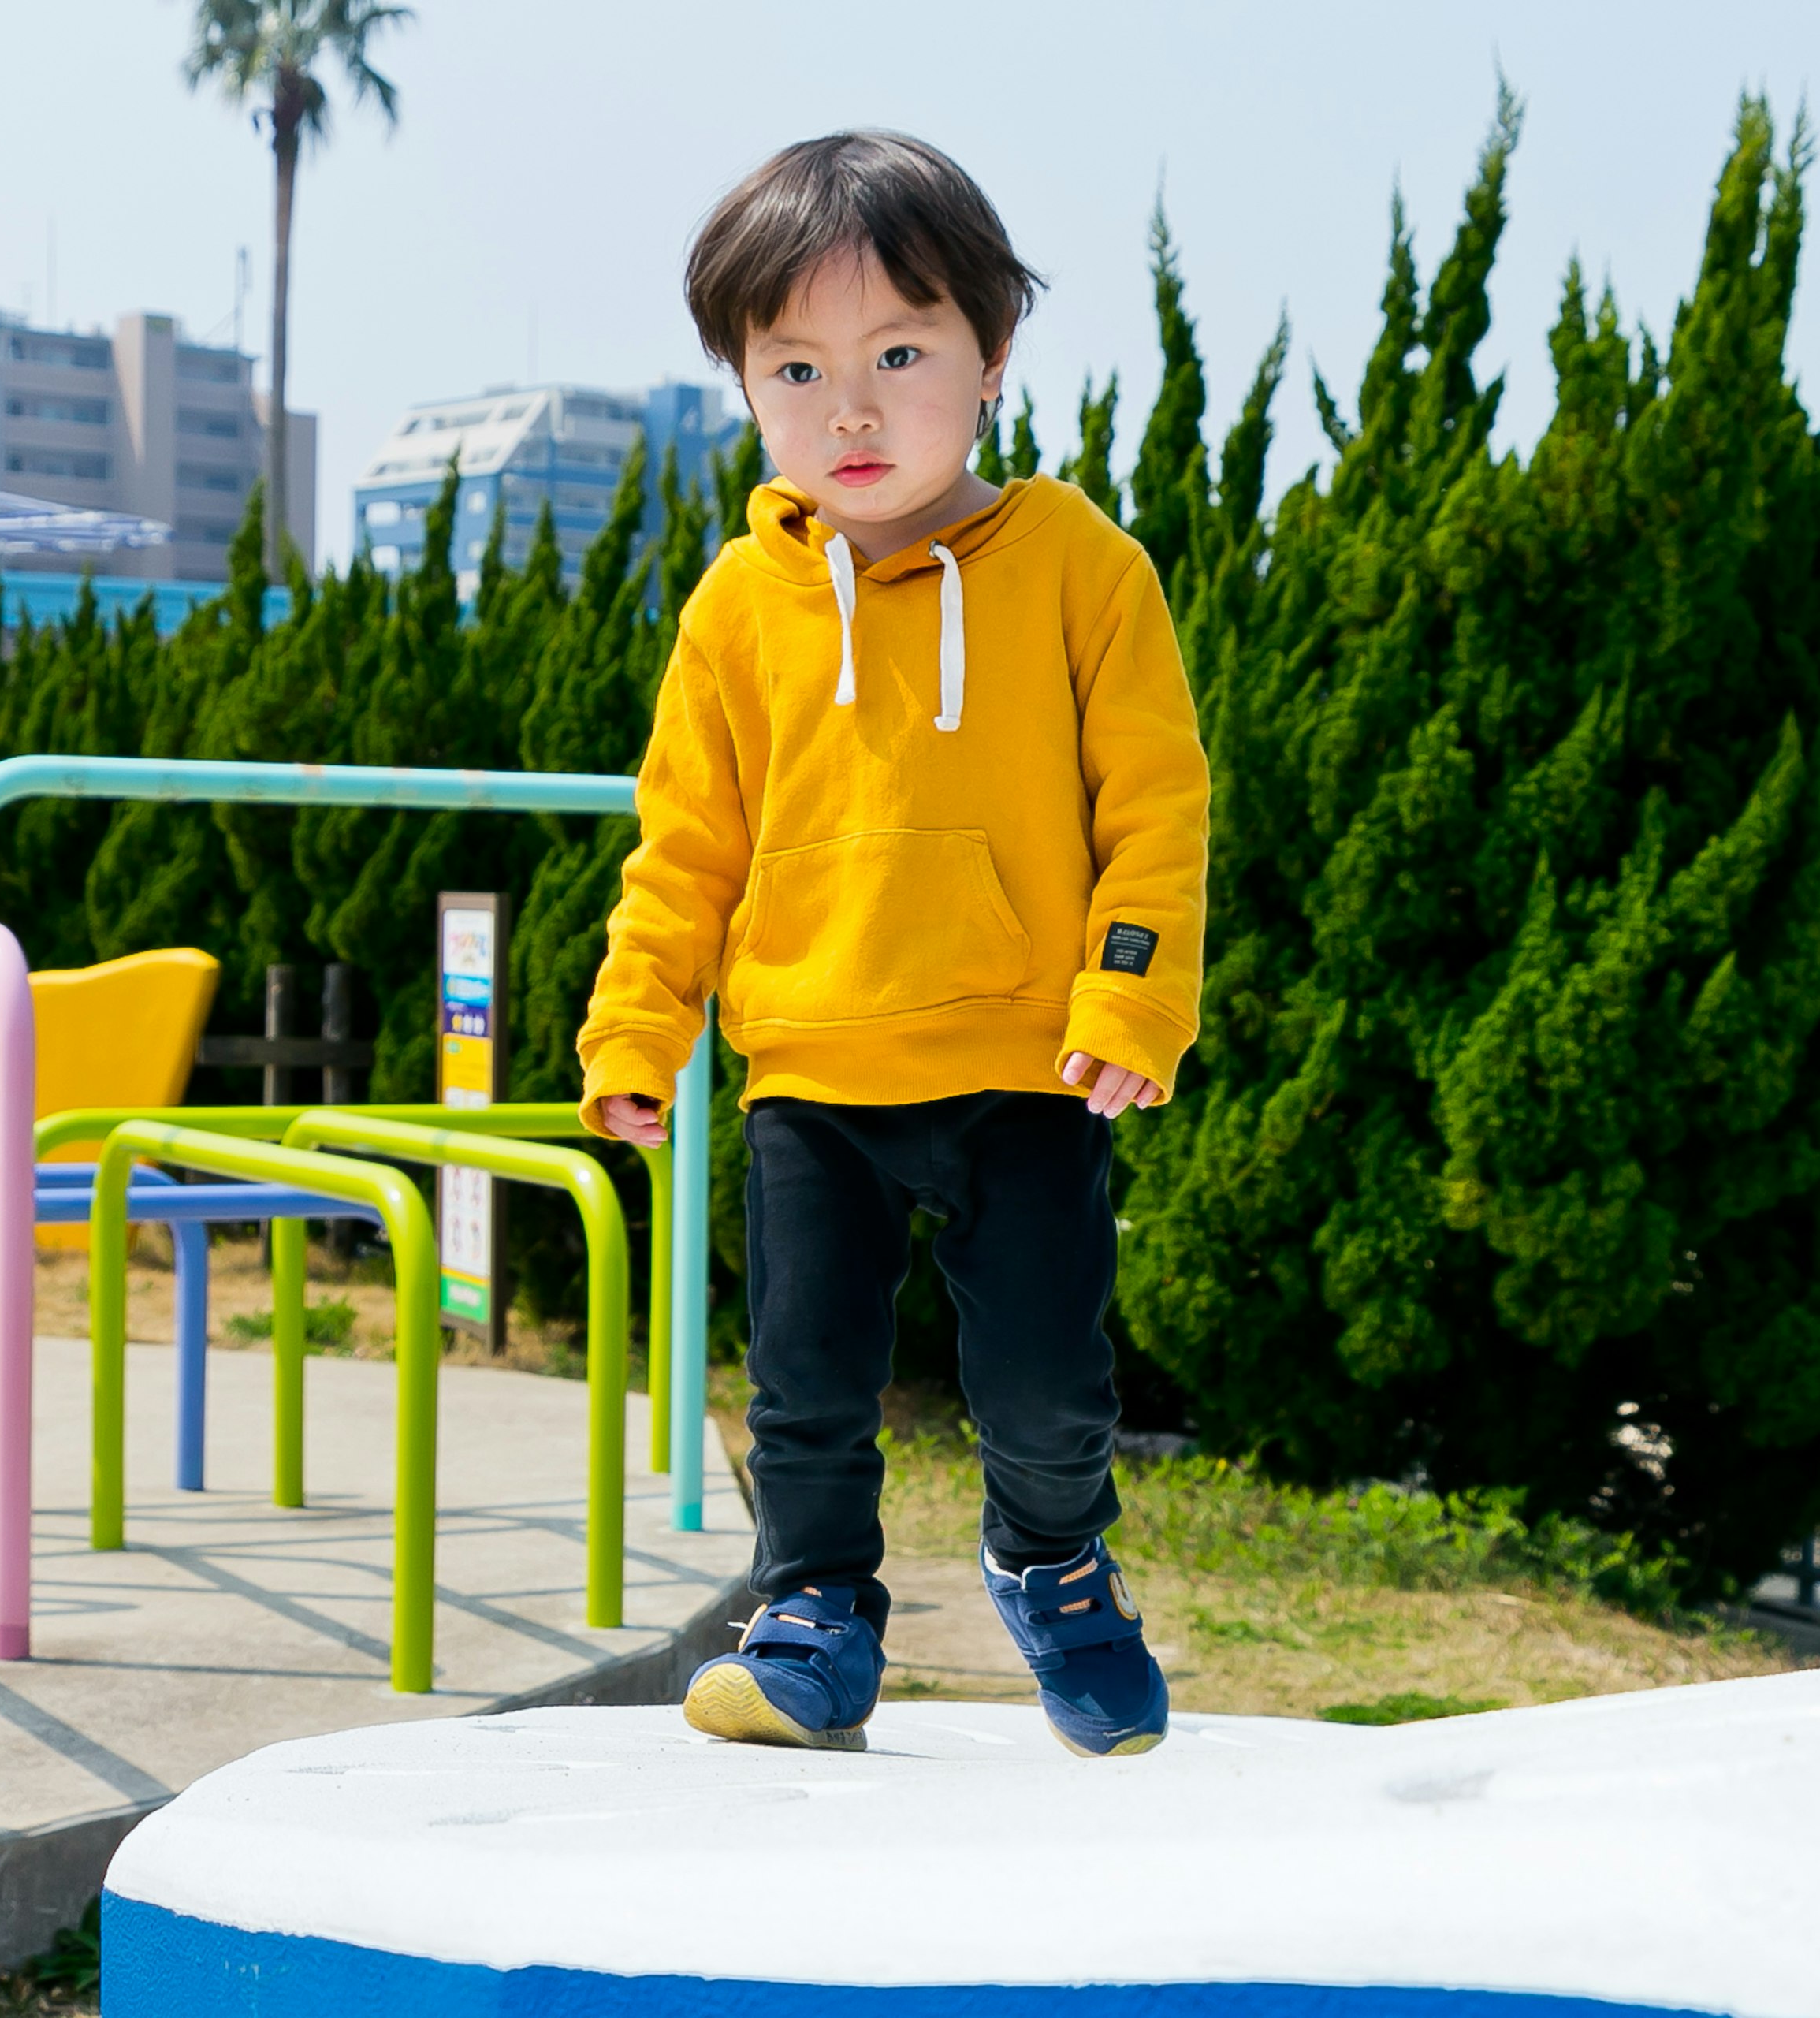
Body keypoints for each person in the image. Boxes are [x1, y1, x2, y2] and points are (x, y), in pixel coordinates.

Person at [578, 131, 1210, 1758]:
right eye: (796, 367)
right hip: (812, 1072)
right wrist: (634, 1030)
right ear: (745, 384)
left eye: (900, 354)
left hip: (1026, 1065)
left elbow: (1154, 802)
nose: (849, 409)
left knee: (1050, 1394)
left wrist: (1130, 994)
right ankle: (812, 1616)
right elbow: (685, 845)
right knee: (803, 1391)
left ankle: (1053, 1563)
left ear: (992, 357)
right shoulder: (736, 606)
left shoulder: (1083, 570)